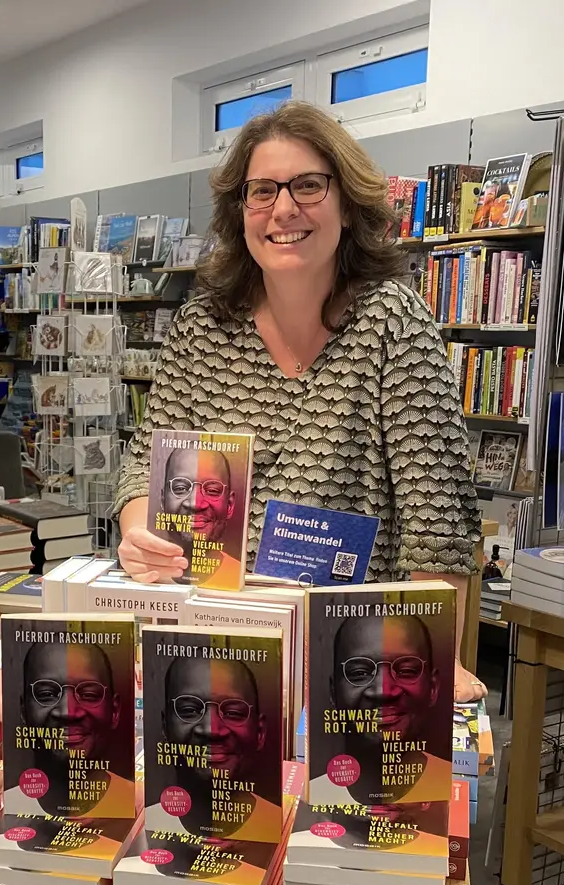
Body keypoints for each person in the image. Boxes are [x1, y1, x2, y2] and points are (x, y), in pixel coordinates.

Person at [113, 101, 485, 703]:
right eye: (262, 191)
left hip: (356, 662)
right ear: (240, 211)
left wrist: (433, 657)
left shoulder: (392, 323)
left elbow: (437, 518)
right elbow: (145, 466)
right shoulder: (201, 327)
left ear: (348, 203)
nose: (283, 209)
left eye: (308, 186)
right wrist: (141, 535)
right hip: (213, 645)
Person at [307, 615, 452, 807]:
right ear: (334, 692)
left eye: (406, 671)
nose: (383, 691)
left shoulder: (449, 791)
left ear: (433, 688)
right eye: (359, 673)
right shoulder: (315, 799)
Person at [145, 655, 280, 843]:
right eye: (189, 711)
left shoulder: (277, 828)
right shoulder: (148, 824)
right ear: (165, 726)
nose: (211, 729)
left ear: (260, 732)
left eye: (233, 713)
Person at [5, 640, 134, 817]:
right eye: (47, 694)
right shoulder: (9, 805)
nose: (68, 712)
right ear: (23, 710)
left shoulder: (137, 805)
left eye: (89, 694)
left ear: (114, 711)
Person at [154, 445, 243, 586]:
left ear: (230, 505)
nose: (195, 503)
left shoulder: (239, 576)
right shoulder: (146, 572)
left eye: (212, 490)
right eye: (180, 489)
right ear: (163, 501)